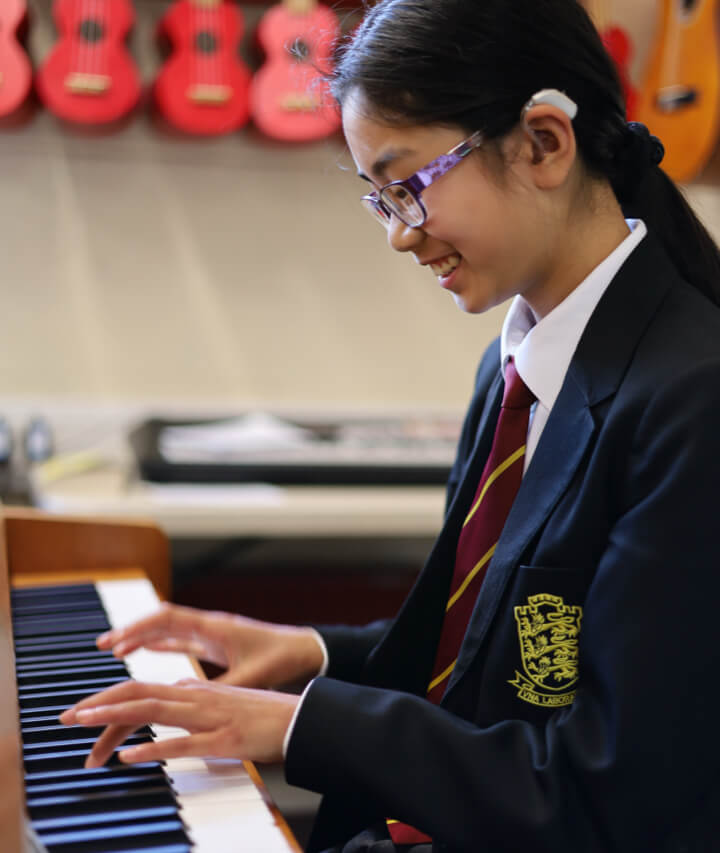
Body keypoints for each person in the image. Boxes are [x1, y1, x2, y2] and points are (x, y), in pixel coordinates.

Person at [60, 0, 720, 849]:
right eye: (379, 199)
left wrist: (297, 726)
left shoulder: (692, 400)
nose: (400, 236)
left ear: (545, 143)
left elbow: (607, 786)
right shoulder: (513, 366)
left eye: (409, 185)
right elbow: (491, 661)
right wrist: (307, 650)